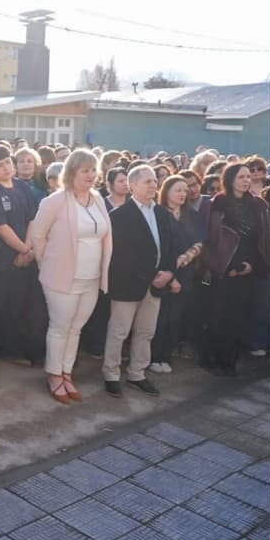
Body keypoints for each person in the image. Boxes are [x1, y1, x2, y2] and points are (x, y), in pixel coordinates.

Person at [33, 149, 112, 404]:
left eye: (93, 170)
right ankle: (54, 375)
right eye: (84, 171)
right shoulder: (55, 201)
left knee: (76, 328)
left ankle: (67, 373)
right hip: (62, 277)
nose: (90, 175)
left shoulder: (98, 198)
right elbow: (38, 235)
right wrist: (49, 264)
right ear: (71, 173)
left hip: (91, 277)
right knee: (60, 327)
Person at [102, 165, 175, 398]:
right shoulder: (119, 216)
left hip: (156, 285)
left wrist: (169, 272)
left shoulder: (163, 213)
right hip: (128, 283)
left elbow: (170, 247)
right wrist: (150, 274)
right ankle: (111, 374)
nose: (153, 185)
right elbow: (120, 254)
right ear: (132, 186)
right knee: (119, 331)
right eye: (147, 181)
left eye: (155, 181)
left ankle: (137, 373)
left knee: (146, 332)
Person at [203, 163, 270, 375]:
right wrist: (226, 266)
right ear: (230, 179)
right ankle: (211, 358)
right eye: (241, 176)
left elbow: (262, 239)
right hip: (222, 269)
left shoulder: (258, 204)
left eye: (248, 176)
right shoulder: (218, 203)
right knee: (217, 315)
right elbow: (211, 239)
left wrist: (251, 265)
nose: (246, 180)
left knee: (237, 316)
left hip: (248, 267)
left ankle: (228, 360)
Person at [0, 145, 46, 367]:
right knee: (2, 306)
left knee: (21, 305)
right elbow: (1, 226)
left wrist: (28, 250)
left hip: (25, 255)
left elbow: (32, 219)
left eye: (8, 162)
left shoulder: (21, 186)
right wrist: (22, 249)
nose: (6, 168)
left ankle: (16, 347)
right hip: (4, 259)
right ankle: (1, 348)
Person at [148, 175, 206, 374]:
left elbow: (199, 243)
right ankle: (154, 357)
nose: (183, 194)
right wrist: (171, 273)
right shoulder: (158, 213)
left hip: (185, 273)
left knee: (175, 317)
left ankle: (166, 356)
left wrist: (183, 259)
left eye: (185, 190)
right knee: (159, 317)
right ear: (167, 192)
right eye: (178, 190)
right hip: (162, 272)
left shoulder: (193, 215)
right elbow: (159, 246)